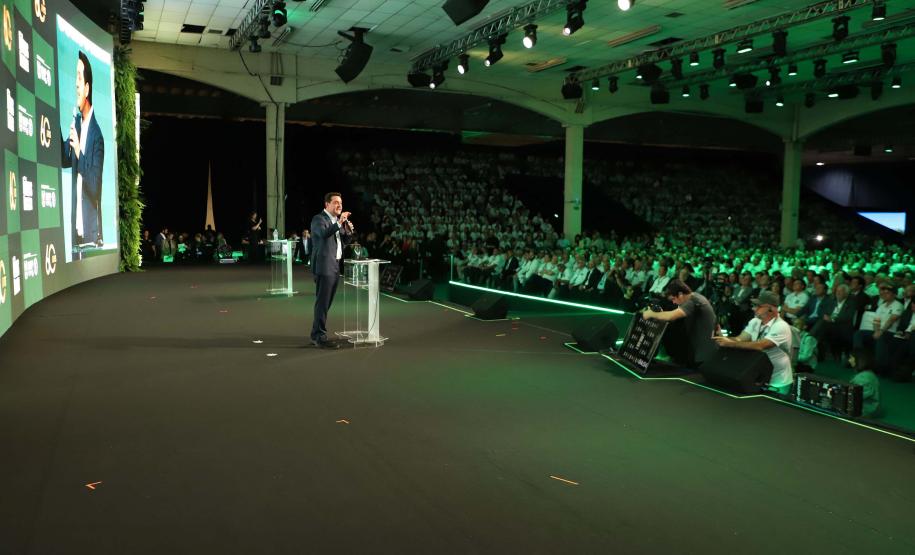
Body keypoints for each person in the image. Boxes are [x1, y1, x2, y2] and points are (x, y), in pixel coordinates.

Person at [61, 51, 104, 250]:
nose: (76, 84)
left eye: (79, 78)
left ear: (87, 88)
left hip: (90, 237)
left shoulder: (97, 136)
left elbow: (95, 187)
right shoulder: (77, 123)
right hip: (75, 234)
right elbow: (65, 161)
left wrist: (78, 148)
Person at [713, 290, 794, 393]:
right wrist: (722, 338)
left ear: (771, 309)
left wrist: (730, 343)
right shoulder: (755, 321)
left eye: (759, 306)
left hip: (778, 381)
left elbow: (760, 346)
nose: (753, 308)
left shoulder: (781, 326)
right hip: (761, 377)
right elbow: (740, 339)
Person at [309, 192, 354, 349]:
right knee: (322, 303)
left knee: (326, 303)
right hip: (324, 265)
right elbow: (323, 234)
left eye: (341, 202)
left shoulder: (336, 221)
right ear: (326, 205)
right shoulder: (319, 219)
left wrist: (348, 231)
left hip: (334, 266)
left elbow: (344, 241)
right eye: (335, 202)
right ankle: (319, 336)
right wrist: (339, 223)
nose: (339, 205)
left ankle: (317, 332)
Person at [642, 279, 718, 368]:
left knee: (670, 326)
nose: (673, 302)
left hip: (702, 355)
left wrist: (651, 314)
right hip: (702, 348)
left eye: (674, 299)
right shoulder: (696, 296)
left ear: (681, 294)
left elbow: (671, 316)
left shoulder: (693, 301)